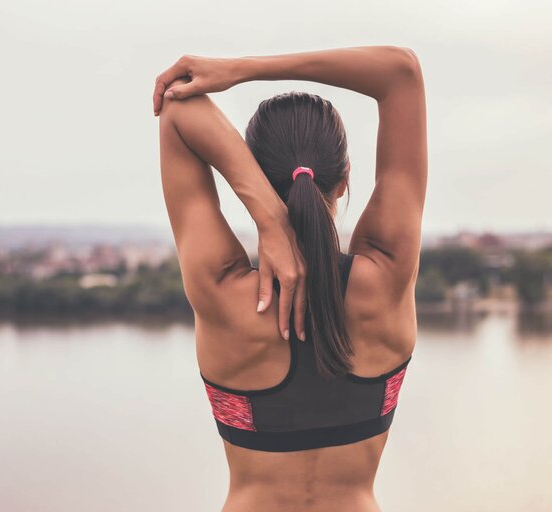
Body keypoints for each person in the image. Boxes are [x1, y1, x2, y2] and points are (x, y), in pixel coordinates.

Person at [153, 46, 427, 512]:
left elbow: (178, 106)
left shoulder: (224, 292)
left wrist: (267, 214)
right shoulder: (386, 276)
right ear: (343, 181)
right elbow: (401, 72)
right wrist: (242, 68)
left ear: (256, 177)